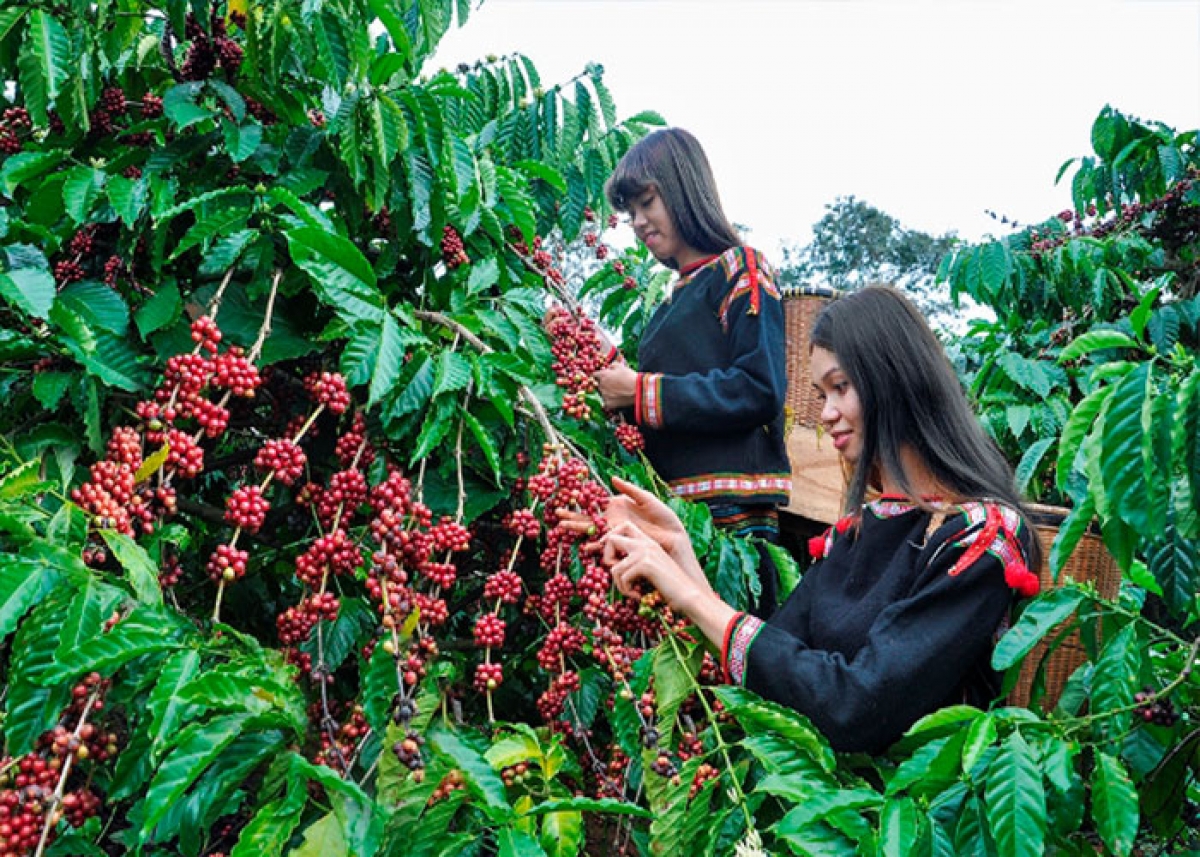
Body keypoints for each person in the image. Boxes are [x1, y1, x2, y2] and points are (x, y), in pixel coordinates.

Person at [588, 286, 1043, 754]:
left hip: (908, 798)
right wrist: (679, 554)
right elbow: (779, 667)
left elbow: (856, 706)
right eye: (822, 394)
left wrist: (689, 595)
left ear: (894, 378)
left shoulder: (979, 538)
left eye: (841, 387)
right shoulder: (860, 530)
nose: (826, 414)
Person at [594, 128, 791, 614]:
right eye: (630, 212)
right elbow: (666, 408)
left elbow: (760, 387)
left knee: (728, 649)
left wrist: (638, 391)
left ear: (684, 189)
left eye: (647, 202)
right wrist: (610, 369)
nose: (638, 222)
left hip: (731, 525)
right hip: (672, 516)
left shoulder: (741, 270)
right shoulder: (670, 304)